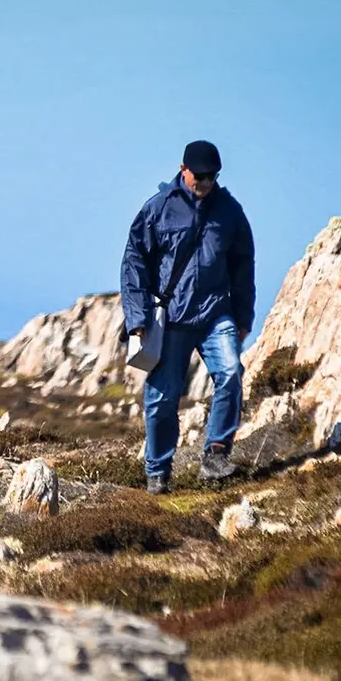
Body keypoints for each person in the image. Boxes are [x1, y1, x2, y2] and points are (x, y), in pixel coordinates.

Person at [120, 140, 255, 495]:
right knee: (163, 398)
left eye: (213, 176)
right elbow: (133, 261)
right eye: (201, 175)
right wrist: (137, 317)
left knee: (230, 373)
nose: (206, 182)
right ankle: (158, 472)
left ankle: (215, 454)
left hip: (216, 313)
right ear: (184, 169)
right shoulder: (158, 210)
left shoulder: (230, 211)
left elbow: (243, 265)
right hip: (173, 317)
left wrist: (243, 317)